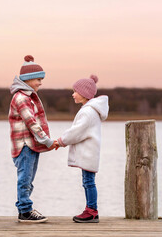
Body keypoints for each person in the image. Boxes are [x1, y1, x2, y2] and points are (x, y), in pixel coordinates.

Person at [9, 55, 56, 223]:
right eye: (38, 79)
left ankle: (25, 208)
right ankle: (25, 210)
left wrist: (43, 140)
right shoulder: (21, 98)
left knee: (29, 179)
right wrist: (46, 140)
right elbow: (31, 122)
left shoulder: (28, 96)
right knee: (25, 178)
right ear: (28, 80)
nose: (40, 83)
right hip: (25, 145)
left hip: (31, 145)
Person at [55, 75, 109, 223]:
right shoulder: (90, 110)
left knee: (89, 182)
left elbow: (76, 132)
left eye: (75, 91)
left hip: (88, 153)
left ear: (84, 93)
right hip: (89, 152)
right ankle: (90, 209)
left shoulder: (88, 112)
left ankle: (91, 211)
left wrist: (61, 141)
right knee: (88, 181)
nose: (73, 94)